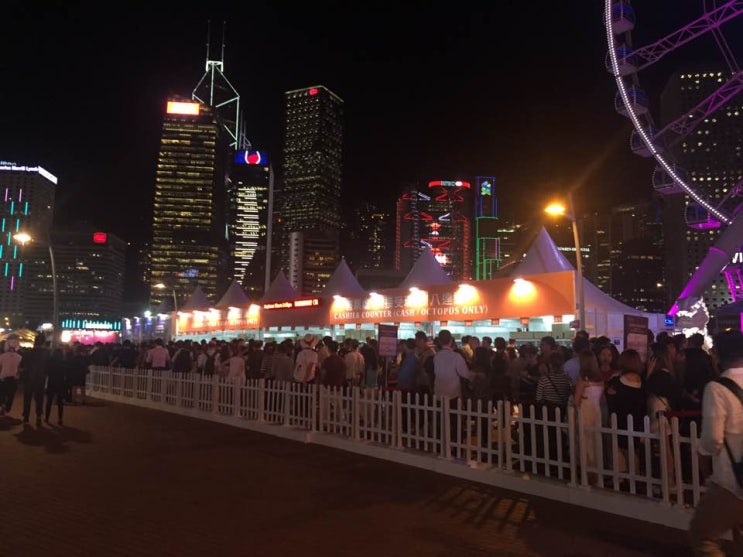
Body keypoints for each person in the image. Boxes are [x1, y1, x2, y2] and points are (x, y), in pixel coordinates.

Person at [689, 330, 743, 555]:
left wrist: (702, 453)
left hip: (732, 481)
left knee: (702, 536)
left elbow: (712, 439)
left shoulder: (717, 388)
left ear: (718, 355)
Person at [573, 349, 604, 485]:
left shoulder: (583, 379)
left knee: (585, 442)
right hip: (596, 410)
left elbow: (576, 400)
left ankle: (587, 474)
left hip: (585, 410)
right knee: (595, 441)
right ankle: (596, 473)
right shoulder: (600, 379)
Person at [21, 333, 49, 426]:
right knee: (39, 399)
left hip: (28, 378)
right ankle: (38, 417)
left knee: (27, 398)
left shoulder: (28, 352)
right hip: (40, 379)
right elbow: (48, 367)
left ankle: (26, 417)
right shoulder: (46, 353)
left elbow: (22, 365)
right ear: (43, 342)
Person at [45, 347, 69, 425]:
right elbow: (66, 373)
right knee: (60, 402)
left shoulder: (50, 361)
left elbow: (47, 371)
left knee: (49, 401)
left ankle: (47, 418)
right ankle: (60, 419)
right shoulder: (63, 362)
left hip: (52, 382)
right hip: (60, 383)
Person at [0, 342, 22, 416]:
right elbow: (19, 369)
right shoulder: (19, 357)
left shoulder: (2, 356)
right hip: (13, 379)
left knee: (2, 394)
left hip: (3, 378)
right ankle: (7, 409)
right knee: (11, 396)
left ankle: (2, 405)